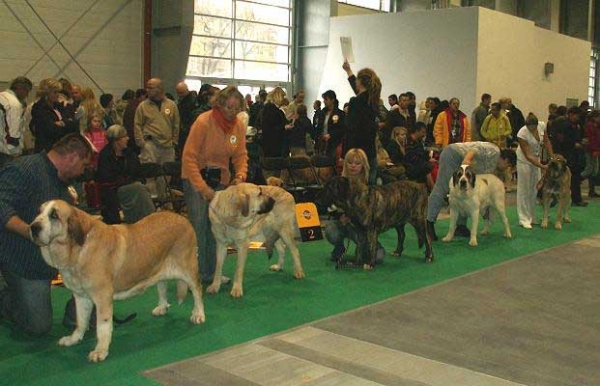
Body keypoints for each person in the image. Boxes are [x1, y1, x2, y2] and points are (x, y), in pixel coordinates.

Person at [0, 133, 93, 335]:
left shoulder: (66, 183)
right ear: (73, 157)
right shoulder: (23, 169)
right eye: (83, 165)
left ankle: (75, 314)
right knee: (38, 327)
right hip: (21, 260)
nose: (82, 171)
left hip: (53, 261)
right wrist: (29, 232)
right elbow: (1, 208)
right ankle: (6, 298)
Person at [182, 86, 248, 284]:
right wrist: (203, 189)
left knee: (216, 228)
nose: (232, 112)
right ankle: (195, 274)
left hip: (220, 180)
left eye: (237, 109)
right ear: (220, 104)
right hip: (195, 178)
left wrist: (240, 175)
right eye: (229, 107)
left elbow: (240, 155)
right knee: (199, 226)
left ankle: (212, 273)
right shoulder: (203, 122)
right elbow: (189, 157)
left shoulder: (238, 127)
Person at [426, 142, 516, 240]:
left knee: (465, 193)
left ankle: (460, 226)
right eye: (508, 167)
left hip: (463, 162)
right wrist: (467, 160)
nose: (505, 170)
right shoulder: (494, 150)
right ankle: (428, 223)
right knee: (442, 188)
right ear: (506, 161)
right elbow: (475, 148)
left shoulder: (493, 166)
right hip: (453, 155)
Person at [324, 148, 385, 262]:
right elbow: (329, 205)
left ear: (364, 165)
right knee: (331, 229)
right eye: (350, 163)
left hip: (364, 228)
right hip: (345, 225)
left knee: (379, 256)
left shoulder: (370, 183)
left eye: (357, 163)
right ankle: (339, 247)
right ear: (345, 164)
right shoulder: (339, 182)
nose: (353, 166)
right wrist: (339, 216)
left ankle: (364, 247)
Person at [96, 125, 154, 224]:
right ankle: (149, 219)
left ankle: (144, 219)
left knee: (141, 187)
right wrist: (125, 180)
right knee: (139, 188)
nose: (128, 138)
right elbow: (106, 176)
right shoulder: (105, 155)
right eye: (125, 136)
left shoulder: (129, 153)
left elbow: (137, 170)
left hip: (130, 184)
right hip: (113, 189)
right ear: (117, 140)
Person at [134, 77, 180, 198]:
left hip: (168, 145)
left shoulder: (171, 104)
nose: (147, 90)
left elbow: (176, 124)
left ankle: (162, 197)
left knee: (166, 175)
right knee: (150, 174)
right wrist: (141, 142)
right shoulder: (142, 106)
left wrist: (174, 141)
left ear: (159, 89)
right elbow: (137, 125)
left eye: (150, 87)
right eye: (147, 87)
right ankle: (153, 199)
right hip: (150, 144)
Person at [342, 59, 382, 185]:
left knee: (356, 189)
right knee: (370, 188)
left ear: (360, 81)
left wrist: (345, 153)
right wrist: (348, 71)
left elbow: (351, 128)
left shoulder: (356, 102)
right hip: (370, 151)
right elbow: (360, 93)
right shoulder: (373, 100)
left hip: (358, 153)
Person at [516, 113, 552, 229]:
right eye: (529, 128)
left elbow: (546, 142)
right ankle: (523, 218)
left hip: (536, 159)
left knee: (534, 188)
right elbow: (527, 155)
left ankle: (532, 216)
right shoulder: (522, 133)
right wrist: (542, 166)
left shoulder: (542, 126)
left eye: (533, 128)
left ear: (537, 125)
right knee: (524, 189)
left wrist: (552, 157)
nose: (531, 130)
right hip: (524, 161)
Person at [549, 107, 587, 206]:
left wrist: (580, 142)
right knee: (558, 178)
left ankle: (576, 199)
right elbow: (561, 140)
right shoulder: (563, 125)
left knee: (574, 178)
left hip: (573, 156)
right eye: (576, 115)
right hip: (564, 155)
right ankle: (552, 197)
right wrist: (573, 144)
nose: (577, 117)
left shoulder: (576, 125)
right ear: (570, 114)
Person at [30, 78, 79, 153]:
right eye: (55, 92)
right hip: (46, 150)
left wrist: (61, 123)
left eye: (58, 92)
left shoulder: (59, 106)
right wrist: (64, 123)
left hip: (61, 148)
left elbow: (73, 125)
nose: (58, 95)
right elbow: (49, 130)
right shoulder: (39, 107)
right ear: (46, 93)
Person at [0, 76, 33, 161]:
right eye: (27, 91)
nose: (27, 95)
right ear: (20, 88)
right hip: (5, 151)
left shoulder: (2, 96)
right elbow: (13, 133)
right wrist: (14, 153)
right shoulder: (14, 104)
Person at [404, 122, 434, 189]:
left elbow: (422, 154)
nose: (424, 134)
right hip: (410, 166)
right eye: (422, 132)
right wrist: (424, 161)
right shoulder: (408, 142)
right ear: (417, 131)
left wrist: (428, 158)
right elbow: (410, 158)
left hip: (419, 164)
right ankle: (433, 189)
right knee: (427, 168)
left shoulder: (419, 141)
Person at [260, 87, 288, 157]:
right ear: (278, 96)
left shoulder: (268, 108)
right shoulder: (272, 110)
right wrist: (284, 127)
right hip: (274, 144)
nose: (283, 99)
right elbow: (272, 127)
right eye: (282, 96)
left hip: (270, 143)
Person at [318, 90, 346, 158]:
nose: (324, 101)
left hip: (334, 143)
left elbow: (342, 129)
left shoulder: (340, 114)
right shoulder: (322, 113)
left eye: (326, 99)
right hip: (322, 143)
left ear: (332, 100)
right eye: (324, 99)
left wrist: (331, 135)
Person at [175, 81, 198, 158]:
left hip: (186, 132)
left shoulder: (187, 104)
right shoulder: (193, 101)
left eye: (181, 93)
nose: (179, 95)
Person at [582, 110, 600, 197]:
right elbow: (591, 139)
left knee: (594, 170)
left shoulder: (595, 125)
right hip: (591, 150)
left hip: (595, 149)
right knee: (589, 169)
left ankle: (591, 190)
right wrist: (594, 150)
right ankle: (576, 181)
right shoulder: (590, 125)